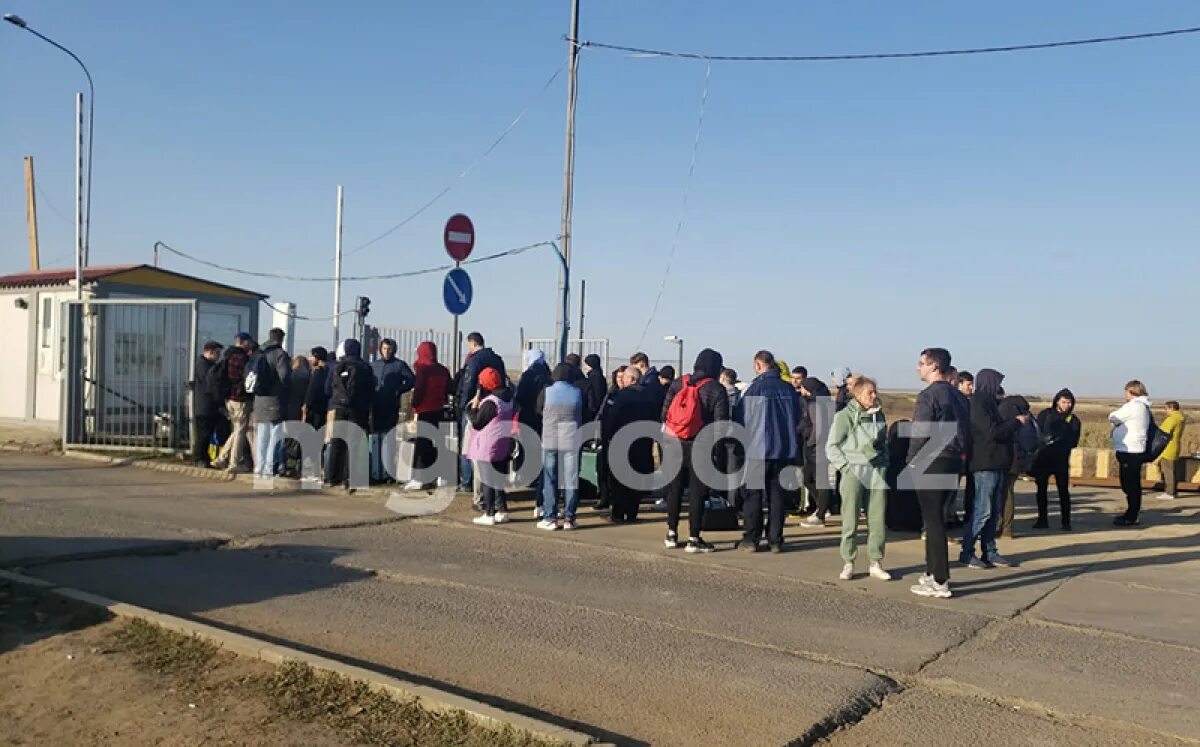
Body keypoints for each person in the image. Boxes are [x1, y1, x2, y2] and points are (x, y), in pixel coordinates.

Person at [907, 347, 965, 599]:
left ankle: (940, 579)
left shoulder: (928, 396)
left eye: (921, 363)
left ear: (933, 366)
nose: (917, 367)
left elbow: (920, 432)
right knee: (937, 518)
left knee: (933, 521)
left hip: (932, 460)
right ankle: (932, 571)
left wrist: (911, 461)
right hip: (954, 459)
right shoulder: (959, 396)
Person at [661, 349, 730, 554]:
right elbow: (721, 424)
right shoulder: (716, 389)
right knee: (697, 493)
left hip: (674, 442)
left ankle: (671, 533)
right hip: (701, 445)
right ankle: (694, 538)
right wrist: (717, 452)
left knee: (674, 490)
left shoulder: (679, 383)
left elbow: (664, 412)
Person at [735, 350, 800, 553]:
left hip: (757, 449)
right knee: (777, 496)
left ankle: (752, 538)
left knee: (753, 495)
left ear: (758, 365)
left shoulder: (754, 390)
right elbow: (798, 418)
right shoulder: (788, 390)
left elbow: (741, 420)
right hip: (783, 449)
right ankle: (775, 540)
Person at [826, 375, 891, 581]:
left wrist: (884, 462)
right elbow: (832, 446)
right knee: (850, 519)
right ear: (857, 394)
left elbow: (882, 443)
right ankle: (849, 562)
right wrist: (846, 467)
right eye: (869, 392)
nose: (874, 396)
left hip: (876, 471)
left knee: (877, 519)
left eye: (875, 392)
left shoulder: (879, 416)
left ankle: (876, 562)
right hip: (853, 471)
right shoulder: (844, 416)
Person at [961, 369, 1026, 569]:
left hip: (997, 463)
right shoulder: (978, 404)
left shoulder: (989, 403)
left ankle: (989, 551)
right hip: (985, 464)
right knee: (983, 510)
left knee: (994, 511)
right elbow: (992, 433)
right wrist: (1016, 423)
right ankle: (967, 552)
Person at [602, 366, 658, 523]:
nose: (622, 380)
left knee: (619, 479)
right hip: (643, 442)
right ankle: (632, 512)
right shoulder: (651, 397)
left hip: (622, 441)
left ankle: (618, 513)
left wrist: (607, 437)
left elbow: (611, 418)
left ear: (632, 379)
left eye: (625, 377)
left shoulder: (621, 396)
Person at [456, 332, 507, 494]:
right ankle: (489, 485)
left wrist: (464, 405)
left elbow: (469, 383)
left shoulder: (475, 360)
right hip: (495, 404)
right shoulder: (497, 359)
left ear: (471, 343)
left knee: (469, 445)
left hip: (477, 404)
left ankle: (467, 482)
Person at [537, 363, 585, 530]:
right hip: (571, 439)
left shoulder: (546, 391)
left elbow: (538, 409)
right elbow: (585, 412)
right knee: (571, 479)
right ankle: (569, 518)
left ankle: (550, 517)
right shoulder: (578, 392)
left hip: (550, 438)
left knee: (550, 478)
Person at [466, 367, 514, 525]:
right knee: (499, 479)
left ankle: (489, 513)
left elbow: (477, 422)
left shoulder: (490, 403)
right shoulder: (507, 398)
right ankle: (502, 510)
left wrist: (474, 406)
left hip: (488, 446)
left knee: (488, 480)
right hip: (502, 443)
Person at [326, 338, 375, 491]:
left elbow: (327, 389)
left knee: (337, 442)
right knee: (353, 444)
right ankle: (350, 478)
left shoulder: (337, 367)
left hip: (339, 408)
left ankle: (332, 477)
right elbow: (371, 390)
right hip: (357, 410)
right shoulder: (365, 368)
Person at [1031, 388, 1081, 530]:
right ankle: (1042, 519)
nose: (1067, 405)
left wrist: (1062, 439)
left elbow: (1074, 441)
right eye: (1064, 402)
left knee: (1063, 491)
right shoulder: (1045, 414)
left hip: (1061, 459)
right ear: (1057, 401)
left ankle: (1066, 522)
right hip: (1043, 458)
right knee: (1041, 490)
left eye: (1069, 402)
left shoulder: (1073, 420)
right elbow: (1036, 433)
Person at [407, 340, 453, 490]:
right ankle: (441, 476)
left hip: (425, 410)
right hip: (439, 409)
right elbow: (450, 388)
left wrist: (414, 404)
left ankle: (420, 478)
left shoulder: (423, 369)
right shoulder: (442, 370)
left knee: (422, 444)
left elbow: (419, 390)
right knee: (438, 443)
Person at [369, 338, 416, 484]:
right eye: (384, 348)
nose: (386, 351)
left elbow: (411, 380)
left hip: (391, 405)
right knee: (376, 439)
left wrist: (399, 390)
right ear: (380, 349)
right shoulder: (374, 365)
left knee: (388, 439)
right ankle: (376, 472)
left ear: (393, 350)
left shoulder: (399, 365)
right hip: (375, 405)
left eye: (389, 349)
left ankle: (388, 472)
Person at [250, 328, 292, 480]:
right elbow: (285, 376)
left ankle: (258, 467)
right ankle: (269, 468)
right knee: (275, 435)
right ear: (281, 339)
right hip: (274, 399)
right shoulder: (279, 354)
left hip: (259, 399)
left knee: (261, 435)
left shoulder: (258, 353)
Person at [1109, 380, 1151, 525]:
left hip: (1131, 451)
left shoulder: (1134, 406)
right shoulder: (1142, 406)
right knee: (1130, 483)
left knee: (1130, 484)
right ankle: (1132, 512)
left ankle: (1132, 515)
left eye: (1126, 392)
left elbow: (1113, 417)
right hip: (1132, 450)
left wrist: (1115, 420)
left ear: (1131, 392)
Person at [211, 333, 254, 473]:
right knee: (240, 430)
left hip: (229, 397)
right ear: (242, 342)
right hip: (240, 397)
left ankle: (222, 457)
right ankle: (233, 462)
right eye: (248, 342)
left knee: (237, 429)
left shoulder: (227, 355)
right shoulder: (240, 357)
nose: (250, 344)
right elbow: (244, 377)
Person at [798, 377, 836, 527]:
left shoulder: (815, 404)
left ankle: (821, 513)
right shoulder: (825, 401)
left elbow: (817, 427)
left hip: (817, 447)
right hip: (822, 446)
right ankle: (822, 506)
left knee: (819, 480)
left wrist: (810, 442)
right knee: (809, 478)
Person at [190, 341, 224, 468]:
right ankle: (200, 458)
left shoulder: (208, 364)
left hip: (209, 406)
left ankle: (205, 457)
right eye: (217, 353)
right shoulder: (203, 365)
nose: (218, 356)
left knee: (208, 433)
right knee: (204, 434)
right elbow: (209, 383)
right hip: (205, 406)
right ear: (210, 352)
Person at [282, 354, 311, 478]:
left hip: (289, 410)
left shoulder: (290, 376)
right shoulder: (309, 377)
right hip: (303, 412)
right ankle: (302, 467)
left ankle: (289, 467)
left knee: (289, 441)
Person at [1156, 401, 1186, 501]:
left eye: (1166, 408)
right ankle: (1173, 491)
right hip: (1175, 445)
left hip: (1168, 447)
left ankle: (1169, 492)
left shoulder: (1172, 419)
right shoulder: (1180, 418)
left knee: (1168, 471)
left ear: (1171, 408)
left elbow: (1163, 432)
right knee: (1173, 470)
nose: (1165, 411)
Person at [304, 347, 330, 432]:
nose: (309, 359)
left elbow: (312, 392)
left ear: (317, 357)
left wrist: (307, 405)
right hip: (326, 409)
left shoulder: (318, 373)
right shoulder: (329, 371)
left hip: (316, 411)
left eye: (311, 356)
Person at [582, 354, 607, 422]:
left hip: (594, 412)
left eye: (586, 364)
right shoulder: (601, 377)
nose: (584, 367)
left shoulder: (593, 377)